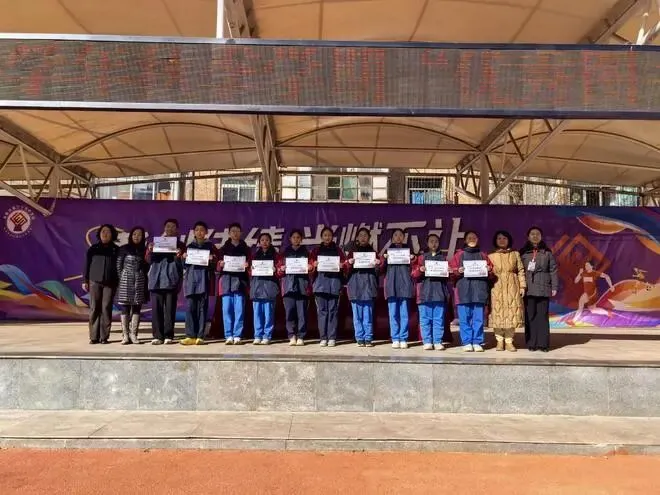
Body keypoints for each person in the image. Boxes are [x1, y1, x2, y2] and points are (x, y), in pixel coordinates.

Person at [449, 231, 493, 352]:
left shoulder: (483, 255)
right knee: (464, 318)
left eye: (474, 237)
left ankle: (477, 341)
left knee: (478, 318)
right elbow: (450, 272)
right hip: (463, 291)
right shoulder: (459, 255)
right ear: (465, 240)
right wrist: (457, 270)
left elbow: (492, 274)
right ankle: (467, 342)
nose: (472, 239)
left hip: (479, 290)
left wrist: (489, 270)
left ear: (477, 239)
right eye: (469, 238)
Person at [146, 218, 185, 345]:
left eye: (173, 227)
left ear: (177, 230)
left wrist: (179, 256)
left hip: (171, 280)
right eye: (168, 226)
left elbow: (183, 265)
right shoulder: (155, 243)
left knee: (170, 310)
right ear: (164, 228)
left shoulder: (181, 245)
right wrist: (150, 250)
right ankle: (157, 336)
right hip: (156, 280)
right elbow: (148, 260)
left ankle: (168, 335)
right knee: (156, 310)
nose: (170, 229)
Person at [519, 226, 558, 352]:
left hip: (544, 287)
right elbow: (519, 270)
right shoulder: (523, 252)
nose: (535, 236)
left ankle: (543, 344)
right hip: (528, 288)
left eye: (537, 234)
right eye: (532, 234)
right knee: (530, 316)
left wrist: (554, 286)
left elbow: (553, 270)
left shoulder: (547, 252)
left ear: (541, 236)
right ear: (528, 236)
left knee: (542, 316)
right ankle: (531, 343)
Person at [180, 221, 218, 346]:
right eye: (197, 230)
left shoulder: (210, 247)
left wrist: (212, 260)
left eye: (202, 230)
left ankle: (200, 336)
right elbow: (184, 266)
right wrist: (183, 258)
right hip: (191, 281)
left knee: (202, 309)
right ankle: (190, 335)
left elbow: (216, 265)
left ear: (206, 232)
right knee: (190, 308)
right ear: (194, 232)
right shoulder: (189, 246)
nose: (199, 232)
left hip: (204, 281)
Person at [488, 230, 526, 352]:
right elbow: (487, 272)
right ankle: (499, 341)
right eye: (499, 238)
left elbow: (520, 270)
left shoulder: (515, 254)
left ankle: (509, 341)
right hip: (496, 287)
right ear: (495, 241)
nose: (502, 240)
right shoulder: (491, 256)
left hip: (512, 287)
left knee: (511, 314)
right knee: (497, 314)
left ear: (508, 240)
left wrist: (522, 286)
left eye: (504, 238)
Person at [413, 234, 450, 351]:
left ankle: (437, 341)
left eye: (436, 241)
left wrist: (449, 272)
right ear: (427, 243)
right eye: (431, 241)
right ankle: (427, 341)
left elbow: (448, 277)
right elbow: (413, 274)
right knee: (425, 319)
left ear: (439, 243)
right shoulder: (421, 258)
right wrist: (420, 270)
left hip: (439, 292)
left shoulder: (443, 258)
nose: (434, 244)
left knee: (438, 319)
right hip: (425, 293)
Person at [83, 224, 119, 344]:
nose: (105, 234)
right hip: (94, 281)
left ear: (112, 234)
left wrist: (117, 281)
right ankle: (94, 336)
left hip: (110, 283)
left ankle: (104, 337)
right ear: (99, 234)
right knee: (94, 308)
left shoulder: (116, 249)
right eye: (103, 231)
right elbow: (87, 265)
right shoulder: (93, 248)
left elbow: (119, 267)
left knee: (106, 308)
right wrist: (85, 280)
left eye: (108, 232)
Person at [309, 227, 345, 347]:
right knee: (322, 312)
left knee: (333, 311)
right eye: (325, 235)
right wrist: (313, 265)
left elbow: (345, 265)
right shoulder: (316, 251)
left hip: (334, 285)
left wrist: (342, 265)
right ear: (321, 237)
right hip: (320, 285)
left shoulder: (338, 250)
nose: (327, 237)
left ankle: (332, 337)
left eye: (329, 235)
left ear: (332, 237)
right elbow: (309, 267)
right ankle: (323, 338)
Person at [345, 227, 380, 347]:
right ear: (357, 238)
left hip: (369, 286)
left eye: (365, 235)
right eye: (361, 235)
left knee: (368, 315)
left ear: (369, 238)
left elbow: (378, 272)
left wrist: (378, 264)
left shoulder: (374, 253)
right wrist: (349, 263)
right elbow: (345, 270)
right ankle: (359, 337)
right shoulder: (352, 253)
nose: (363, 237)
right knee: (357, 315)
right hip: (355, 287)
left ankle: (368, 337)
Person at [217, 222, 250, 345]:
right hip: (226, 282)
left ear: (241, 233)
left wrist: (248, 265)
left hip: (240, 282)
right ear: (229, 233)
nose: (235, 233)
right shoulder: (223, 249)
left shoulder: (246, 249)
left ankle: (237, 335)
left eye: (237, 231)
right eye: (233, 231)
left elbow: (251, 266)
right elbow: (217, 266)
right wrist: (220, 264)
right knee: (227, 310)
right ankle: (228, 335)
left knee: (239, 310)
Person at [381, 228, 415, 349]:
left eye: (401, 235)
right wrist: (384, 259)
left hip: (405, 285)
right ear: (392, 238)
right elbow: (381, 269)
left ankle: (403, 338)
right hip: (391, 286)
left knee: (404, 314)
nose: (398, 237)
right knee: (393, 314)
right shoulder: (387, 251)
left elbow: (415, 269)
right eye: (396, 235)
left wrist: (413, 259)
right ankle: (395, 338)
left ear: (404, 237)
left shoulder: (409, 251)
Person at [116, 226, 149, 345]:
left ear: (143, 237)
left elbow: (147, 266)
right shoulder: (124, 248)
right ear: (131, 235)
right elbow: (118, 266)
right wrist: (123, 278)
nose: (137, 236)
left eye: (139, 234)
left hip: (139, 281)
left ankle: (134, 334)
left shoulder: (145, 250)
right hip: (125, 280)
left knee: (136, 308)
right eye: (134, 234)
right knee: (125, 308)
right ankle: (125, 335)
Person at [277, 229, 310, 346]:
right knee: (289, 313)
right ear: (290, 239)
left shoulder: (306, 252)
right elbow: (278, 271)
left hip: (302, 286)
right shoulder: (284, 253)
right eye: (294, 237)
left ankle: (301, 336)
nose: (296, 239)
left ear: (301, 239)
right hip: (288, 287)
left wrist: (310, 267)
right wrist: (281, 269)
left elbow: (312, 268)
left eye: (298, 237)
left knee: (302, 314)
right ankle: (291, 336)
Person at [251, 233, 279, 345]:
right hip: (257, 287)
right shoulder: (254, 255)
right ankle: (258, 335)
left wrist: (276, 269)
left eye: (267, 240)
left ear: (270, 241)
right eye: (262, 240)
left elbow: (280, 271)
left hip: (270, 287)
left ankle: (267, 335)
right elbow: (249, 272)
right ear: (259, 242)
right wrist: (250, 269)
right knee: (257, 314)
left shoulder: (276, 255)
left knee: (269, 314)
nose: (264, 242)